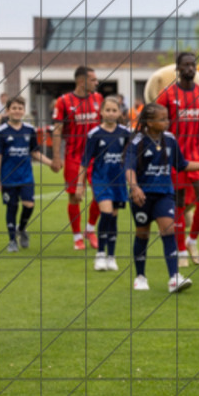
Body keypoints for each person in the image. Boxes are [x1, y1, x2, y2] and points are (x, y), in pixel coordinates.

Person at [126, 104, 199, 293]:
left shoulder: (170, 140)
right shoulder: (137, 141)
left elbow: (182, 165)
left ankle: (174, 278)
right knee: (142, 234)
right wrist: (135, 187)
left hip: (164, 194)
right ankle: (140, 276)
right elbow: (128, 167)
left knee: (168, 229)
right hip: (142, 196)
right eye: (162, 119)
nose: (167, 122)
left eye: (167, 118)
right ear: (149, 122)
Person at [157, 52, 199, 267]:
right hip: (174, 159)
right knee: (178, 206)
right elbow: (156, 123)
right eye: (185, 65)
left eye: (193, 65)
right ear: (178, 69)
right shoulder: (167, 94)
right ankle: (181, 251)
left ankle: (192, 240)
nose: (190, 68)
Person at [51, 66, 103, 250]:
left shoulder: (98, 99)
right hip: (73, 157)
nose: (97, 83)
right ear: (82, 81)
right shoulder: (63, 101)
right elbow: (57, 130)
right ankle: (77, 237)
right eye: (93, 79)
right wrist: (56, 157)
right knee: (74, 197)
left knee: (100, 194)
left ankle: (90, 229)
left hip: (95, 158)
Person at [77, 96, 131, 271]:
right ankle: (100, 254)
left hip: (119, 182)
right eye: (107, 110)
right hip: (101, 180)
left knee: (114, 219)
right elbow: (84, 161)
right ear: (101, 112)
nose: (110, 113)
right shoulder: (94, 134)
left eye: (114, 110)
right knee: (106, 214)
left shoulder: (125, 133)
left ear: (119, 113)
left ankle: (111, 257)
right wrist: (80, 184)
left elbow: (132, 157)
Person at [0, 97, 51, 252]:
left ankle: (22, 228)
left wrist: (50, 163)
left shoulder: (29, 130)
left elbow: (35, 152)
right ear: (7, 111)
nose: (17, 111)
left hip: (26, 177)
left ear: (24, 111)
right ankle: (12, 241)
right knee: (11, 207)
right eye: (14, 108)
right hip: (8, 178)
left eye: (20, 108)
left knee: (29, 205)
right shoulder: (1, 132)